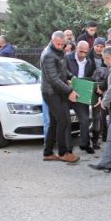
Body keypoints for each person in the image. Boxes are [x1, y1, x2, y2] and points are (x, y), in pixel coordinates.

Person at [40, 31, 80, 163]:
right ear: (52, 41)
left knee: (54, 123)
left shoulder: (58, 51)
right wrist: (70, 91)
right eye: (58, 44)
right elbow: (53, 79)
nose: (60, 46)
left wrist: (70, 76)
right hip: (51, 93)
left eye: (62, 44)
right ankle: (63, 153)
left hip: (57, 92)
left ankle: (48, 152)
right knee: (63, 121)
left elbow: (62, 70)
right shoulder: (48, 55)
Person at [65, 40, 97, 154]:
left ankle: (85, 144)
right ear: (76, 49)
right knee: (66, 121)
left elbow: (91, 77)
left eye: (85, 52)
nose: (82, 54)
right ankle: (68, 147)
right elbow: (62, 73)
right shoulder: (67, 58)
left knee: (84, 120)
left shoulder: (89, 62)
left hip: (81, 95)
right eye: (80, 51)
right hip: (67, 93)